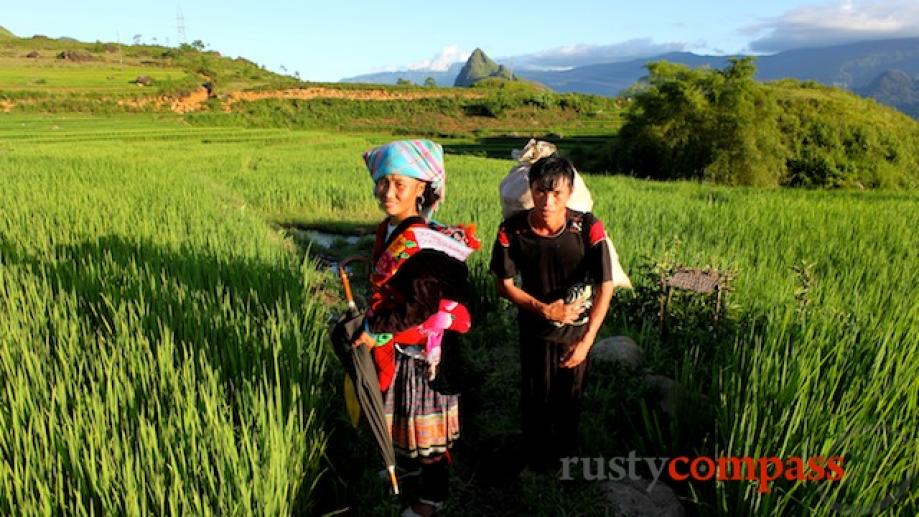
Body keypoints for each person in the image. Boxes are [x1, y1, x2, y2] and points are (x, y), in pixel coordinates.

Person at [352, 139, 479, 516]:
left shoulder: (420, 242)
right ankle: (407, 470)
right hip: (402, 348)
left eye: (399, 185)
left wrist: (377, 330)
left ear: (421, 188)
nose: (387, 193)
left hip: (424, 357)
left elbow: (420, 306)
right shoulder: (388, 230)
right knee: (403, 419)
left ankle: (432, 497)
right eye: (382, 182)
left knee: (428, 433)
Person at [490, 155, 615, 470]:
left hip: (576, 333)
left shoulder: (587, 228)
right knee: (535, 397)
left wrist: (587, 342)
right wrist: (544, 308)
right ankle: (537, 463)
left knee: (570, 399)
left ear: (569, 192)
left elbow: (606, 287)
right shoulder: (513, 231)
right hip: (534, 330)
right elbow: (503, 284)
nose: (547, 201)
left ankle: (567, 462)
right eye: (540, 191)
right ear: (531, 190)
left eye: (556, 193)